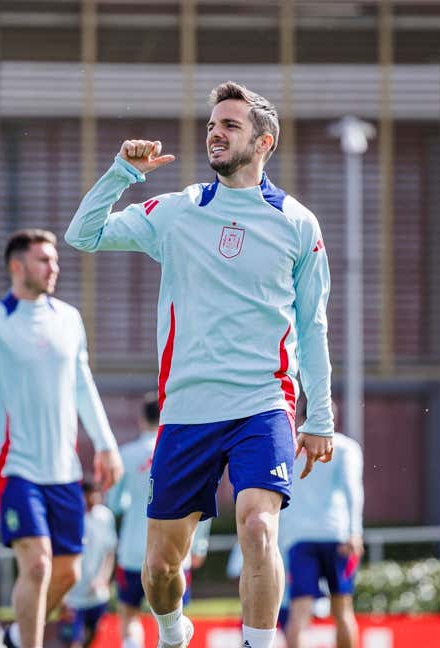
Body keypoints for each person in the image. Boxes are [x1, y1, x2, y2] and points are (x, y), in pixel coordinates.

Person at [66, 80, 335, 648]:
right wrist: (122, 172)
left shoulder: (298, 225)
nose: (215, 133)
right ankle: (172, 629)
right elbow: (83, 235)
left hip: (264, 404)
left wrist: (320, 417)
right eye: (212, 125)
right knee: (161, 569)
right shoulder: (177, 211)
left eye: (230, 125)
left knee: (259, 526)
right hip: (187, 410)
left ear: (264, 141)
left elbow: (312, 327)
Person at [0, 229, 123, 648]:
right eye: (44, 259)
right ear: (17, 265)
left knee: (68, 574)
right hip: (14, 468)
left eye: (55, 259)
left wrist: (105, 442)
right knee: (39, 565)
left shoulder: (69, 319)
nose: (54, 266)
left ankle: (13, 637)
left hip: (64, 471)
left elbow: (83, 385)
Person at [107, 392, 212, 648]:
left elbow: (113, 505)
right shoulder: (183, 453)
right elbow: (201, 500)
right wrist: (199, 544)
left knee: (129, 614)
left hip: (133, 549)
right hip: (177, 550)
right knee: (173, 620)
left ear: (142, 420)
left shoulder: (128, 455)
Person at [280, 413, 363, 648]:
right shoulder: (346, 447)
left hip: (300, 539)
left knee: (299, 612)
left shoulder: (289, 447)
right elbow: (353, 491)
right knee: (343, 610)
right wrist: (355, 532)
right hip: (337, 536)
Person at [59, 482, 118, 648]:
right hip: (72, 597)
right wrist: (61, 594)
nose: (91, 499)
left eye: (94, 494)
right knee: (72, 641)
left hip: (96, 595)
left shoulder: (105, 517)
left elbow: (109, 552)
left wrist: (103, 578)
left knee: (91, 638)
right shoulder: (69, 517)